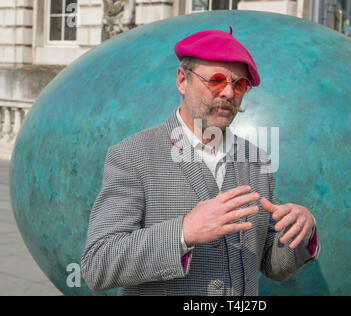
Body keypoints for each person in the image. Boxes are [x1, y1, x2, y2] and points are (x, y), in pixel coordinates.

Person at [81, 27, 320, 296]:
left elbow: (272, 266)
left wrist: (301, 230)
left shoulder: (257, 161)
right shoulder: (132, 156)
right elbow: (97, 264)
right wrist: (184, 233)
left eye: (239, 84)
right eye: (217, 80)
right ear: (182, 80)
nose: (229, 94)